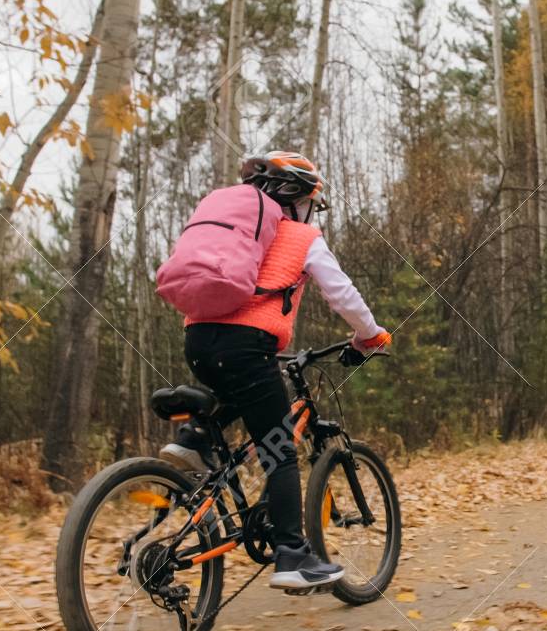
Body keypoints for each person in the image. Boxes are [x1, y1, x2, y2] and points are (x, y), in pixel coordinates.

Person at [160, 151, 390, 591]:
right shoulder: (300, 236)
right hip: (249, 347)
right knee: (279, 449)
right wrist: (370, 334)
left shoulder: (237, 233)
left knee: (238, 395)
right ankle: (292, 555)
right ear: (298, 198)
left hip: (199, 342)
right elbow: (341, 292)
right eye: (310, 202)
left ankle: (193, 438)